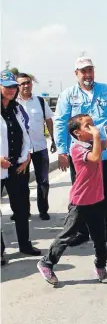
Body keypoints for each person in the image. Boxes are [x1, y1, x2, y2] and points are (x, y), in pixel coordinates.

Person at [37, 103, 107, 285]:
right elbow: (94, 157)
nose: (93, 127)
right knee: (67, 236)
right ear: (77, 132)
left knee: (100, 239)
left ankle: (100, 267)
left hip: (97, 200)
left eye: (93, 123)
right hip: (80, 202)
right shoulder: (76, 148)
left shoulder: (93, 142)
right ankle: (47, 263)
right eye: (88, 125)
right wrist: (97, 136)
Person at [55, 57, 107, 245]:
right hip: (80, 156)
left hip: (103, 152)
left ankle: (103, 228)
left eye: (90, 70)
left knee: (104, 192)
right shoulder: (68, 95)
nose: (87, 75)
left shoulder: (106, 91)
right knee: (81, 194)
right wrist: (62, 151)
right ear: (76, 74)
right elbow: (61, 122)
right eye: (83, 71)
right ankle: (81, 231)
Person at [1, 70, 41, 257]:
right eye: (7, 86)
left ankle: (24, 244)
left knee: (22, 207)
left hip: (18, 165)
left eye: (13, 87)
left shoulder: (17, 108)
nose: (11, 90)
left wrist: (27, 156)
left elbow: (26, 133)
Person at [17, 73, 56, 220]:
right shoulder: (13, 103)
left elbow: (49, 121)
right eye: (22, 83)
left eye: (28, 82)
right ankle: (23, 210)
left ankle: (43, 210)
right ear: (17, 86)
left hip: (40, 148)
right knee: (21, 183)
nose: (26, 85)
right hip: (21, 151)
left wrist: (53, 139)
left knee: (43, 181)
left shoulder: (40, 101)